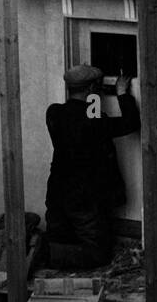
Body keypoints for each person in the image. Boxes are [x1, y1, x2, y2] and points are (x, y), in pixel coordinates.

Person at [43, 65, 140, 268]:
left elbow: (88, 115)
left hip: (57, 192)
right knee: (98, 254)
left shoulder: (54, 113)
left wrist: (92, 93)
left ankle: (45, 250)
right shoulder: (94, 122)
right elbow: (130, 123)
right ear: (90, 90)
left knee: (61, 237)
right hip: (83, 197)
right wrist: (122, 94)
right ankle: (46, 256)